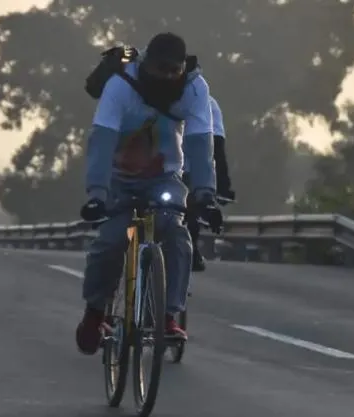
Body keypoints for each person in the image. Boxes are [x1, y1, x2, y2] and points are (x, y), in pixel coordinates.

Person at [76, 32, 219, 355]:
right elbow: (102, 139)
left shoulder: (195, 88)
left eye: (174, 71)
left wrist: (205, 194)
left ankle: (168, 316)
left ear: (183, 68)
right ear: (145, 64)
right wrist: (97, 193)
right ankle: (95, 311)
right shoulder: (121, 84)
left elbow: (200, 144)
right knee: (111, 241)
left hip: (164, 180)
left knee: (178, 238)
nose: (168, 76)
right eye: (160, 69)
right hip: (118, 180)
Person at [183, 95, 233, 271]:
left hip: (192, 171)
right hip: (160, 167)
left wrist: (223, 185)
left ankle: (191, 247)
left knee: (193, 206)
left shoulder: (209, 104)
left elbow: (217, 147)